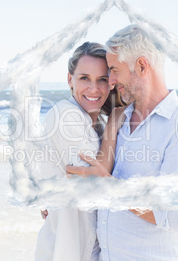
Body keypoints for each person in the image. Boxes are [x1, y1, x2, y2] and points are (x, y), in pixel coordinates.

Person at [67, 25, 178, 260]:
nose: (112, 81)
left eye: (114, 70)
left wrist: (110, 187)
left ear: (142, 66)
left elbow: (177, 215)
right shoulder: (120, 119)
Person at [35, 42, 124, 261]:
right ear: (69, 80)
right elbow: (92, 183)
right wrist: (114, 125)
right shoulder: (66, 115)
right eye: (84, 78)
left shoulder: (95, 123)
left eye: (102, 79)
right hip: (65, 250)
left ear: (111, 83)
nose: (94, 89)